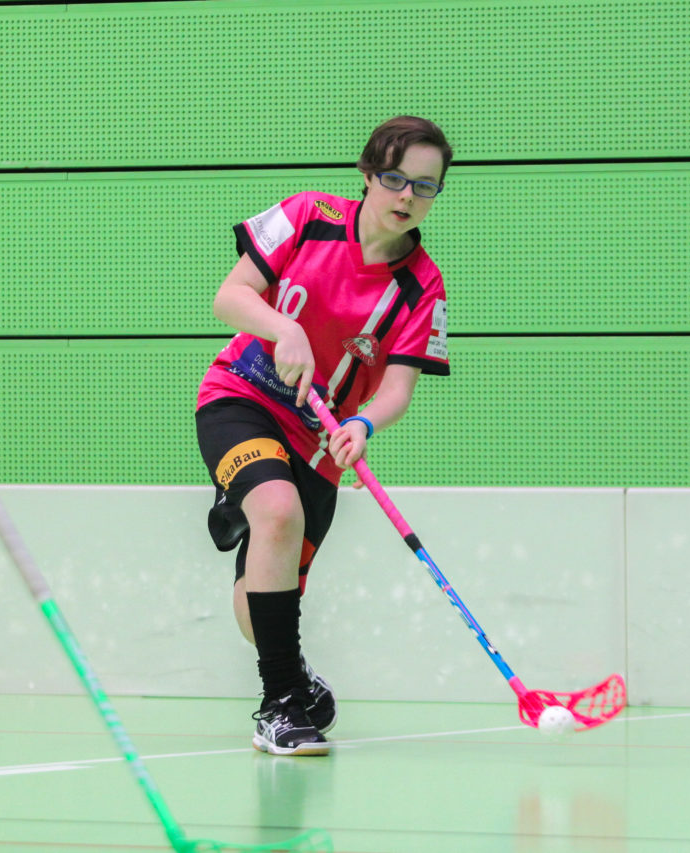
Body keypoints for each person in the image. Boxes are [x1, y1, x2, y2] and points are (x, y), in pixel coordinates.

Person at [195, 116, 453, 755]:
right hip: (243, 399)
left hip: (320, 444)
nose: (406, 198)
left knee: (257, 605)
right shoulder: (304, 215)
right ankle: (279, 705)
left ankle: (292, 672)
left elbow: (396, 387)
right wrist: (285, 328)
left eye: (425, 187)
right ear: (367, 175)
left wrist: (364, 423)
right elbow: (230, 297)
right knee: (277, 514)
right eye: (394, 179)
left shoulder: (423, 286)